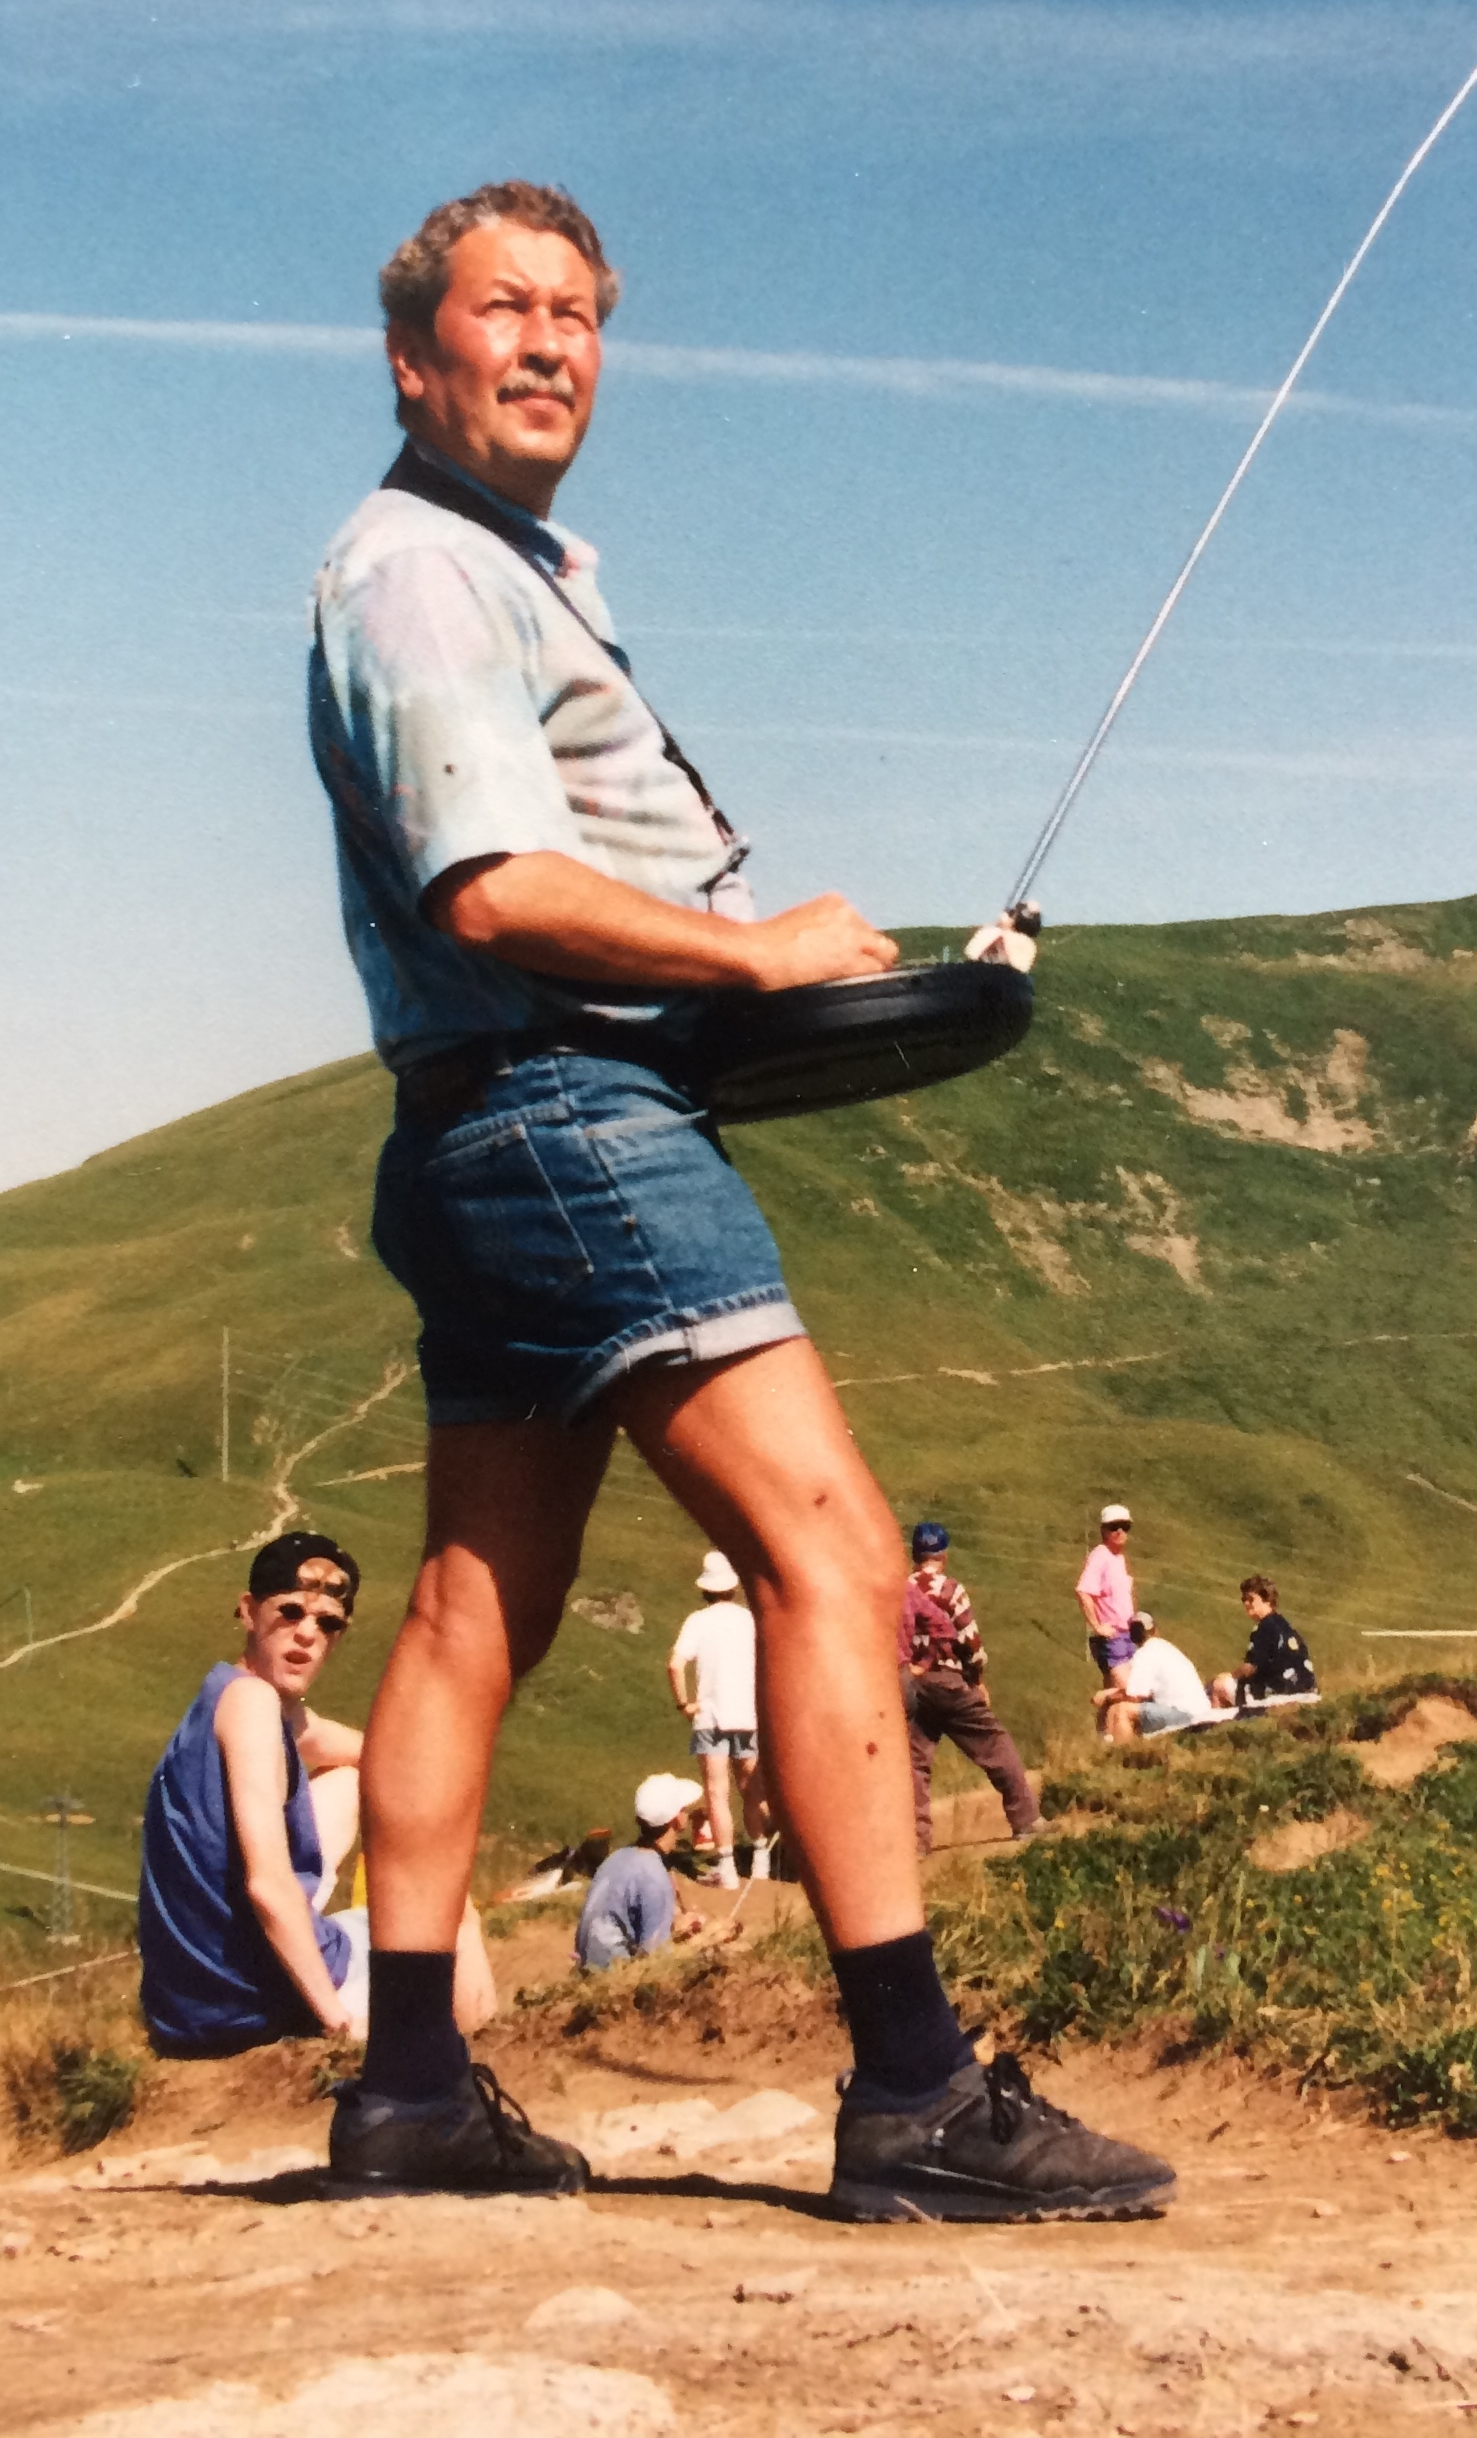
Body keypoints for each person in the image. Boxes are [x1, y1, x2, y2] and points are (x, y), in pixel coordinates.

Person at [307, 181, 1171, 2221]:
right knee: (836, 1551)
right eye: (503, 311)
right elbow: (494, 891)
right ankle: (913, 2098)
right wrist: (767, 957)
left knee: (463, 1608)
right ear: (413, 358)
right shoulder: (426, 577)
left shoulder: (489, 564)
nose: (549, 346)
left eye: (581, 314)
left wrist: (805, 1004)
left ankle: (412, 2091)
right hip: (566, 1112)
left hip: (477, 1126)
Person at [137, 1533, 499, 2054]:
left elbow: (370, 1755)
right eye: (290, 1613)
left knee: (351, 1782)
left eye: (327, 1622)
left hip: (187, 2006)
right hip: (252, 2003)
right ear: (248, 1611)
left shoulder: (229, 1693)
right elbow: (267, 1886)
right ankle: (480, 2054)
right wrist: (338, 2023)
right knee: (450, 1912)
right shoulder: (255, 1708)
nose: (307, 1634)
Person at [900, 1523, 1041, 1856]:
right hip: (949, 1680)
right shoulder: (951, 1590)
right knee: (993, 1743)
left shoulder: (900, 1589)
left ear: (915, 1555)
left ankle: (917, 1842)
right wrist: (976, 1679)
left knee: (915, 1763)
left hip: (910, 1682)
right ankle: (1026, 1820)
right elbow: (969, 1641)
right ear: (943, 1555)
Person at [667, 1549, 771, 1887]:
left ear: (705, 1588)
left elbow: (675, 1664)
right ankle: (760, 1859)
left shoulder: (697, 1621)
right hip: (748, 1714)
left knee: (717, 1792)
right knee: (751, 1790)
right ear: (734, 1586)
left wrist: (685, 1704)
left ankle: (726, 1870)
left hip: (711, 1717)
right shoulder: (749, 1619)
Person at [574, 1773, 722, 1969]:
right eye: (684, 1809)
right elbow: (655, 1960)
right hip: (615, 1976)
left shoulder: (618, 1857)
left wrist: (674, 1926)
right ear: (678, 1820)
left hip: (589, 1964)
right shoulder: (654, 1876)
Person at [1074, 1504, 1140, 1738]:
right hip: (1112, 1637)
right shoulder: (1100, 1556)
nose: (1120, 1531)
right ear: (1104, 1530)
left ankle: (1103, 1740)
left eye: (1125, 1526)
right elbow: (1083, 1591)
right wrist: (1098, 1626)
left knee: (1111, 1690)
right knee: (1131, 1691)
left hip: (1126, 1635)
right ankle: (1122, 1740)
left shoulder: (1118, 1558)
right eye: (1114, 1527)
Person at [1213, 1574, 1320, 1712]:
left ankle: (1215, 1729)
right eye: (1244, 1599)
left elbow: (1250, 1668)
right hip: (1306, 1690)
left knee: (1218, 1686)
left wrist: (1230, 1675)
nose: (1246, 1603)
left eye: (1251, 1599)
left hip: (1278, 1693)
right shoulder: (1286, 1627)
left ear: (1267, 1600)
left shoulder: (1264, 1628)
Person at [1100, 1615, 1212, 1741]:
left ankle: (1122, 1754)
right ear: (1154, 1630)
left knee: (1121, 1711)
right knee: (1134, 1712)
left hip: (1183, 1713)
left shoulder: (1145, 1654)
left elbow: (1135, 1695)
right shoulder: (1166, 1648)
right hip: (1200, 1711)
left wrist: (1108, 1697)